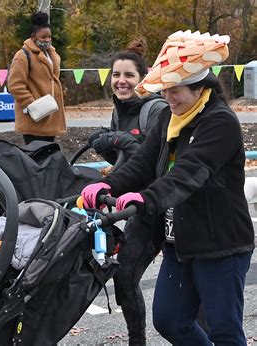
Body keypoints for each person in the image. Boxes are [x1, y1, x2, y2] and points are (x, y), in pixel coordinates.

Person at [82, 30, 254, 345]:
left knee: (224, 331)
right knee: (170, 320)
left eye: (175, 90)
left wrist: (146, 198)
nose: (168, 97)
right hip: (180, 241)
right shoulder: (170, 118)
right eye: (165, 89)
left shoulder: (220, 123)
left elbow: (189, 174)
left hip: (220, 244)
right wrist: (107, 184)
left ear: (199, 87)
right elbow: (143, 163)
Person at [86, 39, 169, 345]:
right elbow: (125, 165)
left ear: (143, 78)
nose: (121, 81)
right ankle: (137, 341)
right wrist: (107, 145)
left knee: (188, 287)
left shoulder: (156, 109)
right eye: (116, 75)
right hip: (139, 210)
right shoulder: (119, 112)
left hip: (165, 206)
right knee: (124, 276)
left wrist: (124, 142)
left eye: (129, 75)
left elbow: (149, 162)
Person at [7, 12, 66, 145]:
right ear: (33, 37)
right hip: (34, 119)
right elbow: (15, 86)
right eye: (43, 37)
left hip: (51, 116)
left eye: (49, 37)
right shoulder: (22, 55)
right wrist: (32, 105)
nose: (47, 40)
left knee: (49, 158)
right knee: (36, 160)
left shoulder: (52, 54)